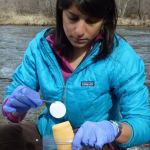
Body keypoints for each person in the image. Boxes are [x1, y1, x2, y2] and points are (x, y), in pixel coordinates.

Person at [1, 0, 150, 149]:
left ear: (104, 19)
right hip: (47, 136)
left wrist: (114, 129)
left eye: (91, 21)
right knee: (5, 136)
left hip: (95, 144)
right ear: (61, 12)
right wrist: (16, 107)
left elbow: (143, 122)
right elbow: (11, 110)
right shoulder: (40, 48)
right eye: (72, 18)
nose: (79, 31)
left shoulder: (121, 57)